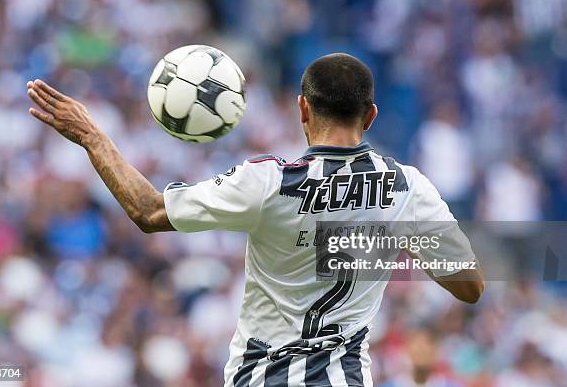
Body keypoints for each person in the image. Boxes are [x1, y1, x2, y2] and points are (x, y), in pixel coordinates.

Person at [26, 53, 484, 387]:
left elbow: (148, 211)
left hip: (260, 377)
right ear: (371, 115)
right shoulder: (408, 187)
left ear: (302, 109)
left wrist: (91, 137)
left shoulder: (269, 182)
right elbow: (470, 287)